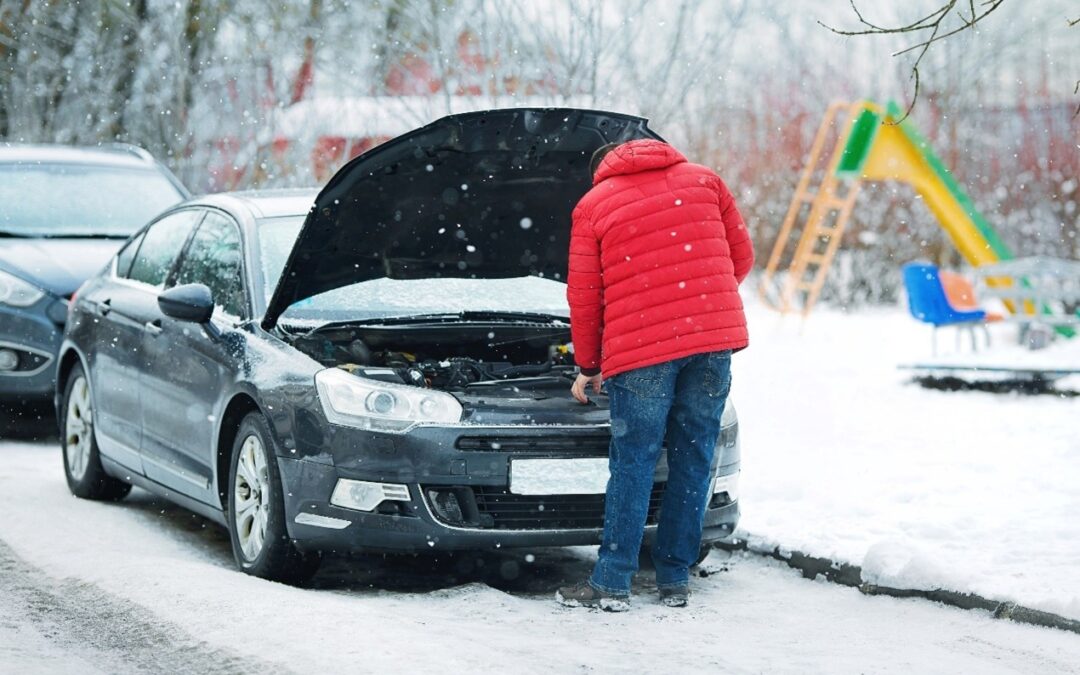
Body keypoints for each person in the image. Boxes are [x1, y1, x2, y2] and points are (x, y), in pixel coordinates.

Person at [556, 139, 753, 611]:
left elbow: (585, 298)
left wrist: (588, 366)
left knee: (635, 460)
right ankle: (674, 579)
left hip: (641, 351)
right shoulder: (705, 181)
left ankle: (613, 582)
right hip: (711, 342)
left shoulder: (594, 204)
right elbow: (740, 258)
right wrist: (697, 310)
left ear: (601, 170)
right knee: (693, 456)